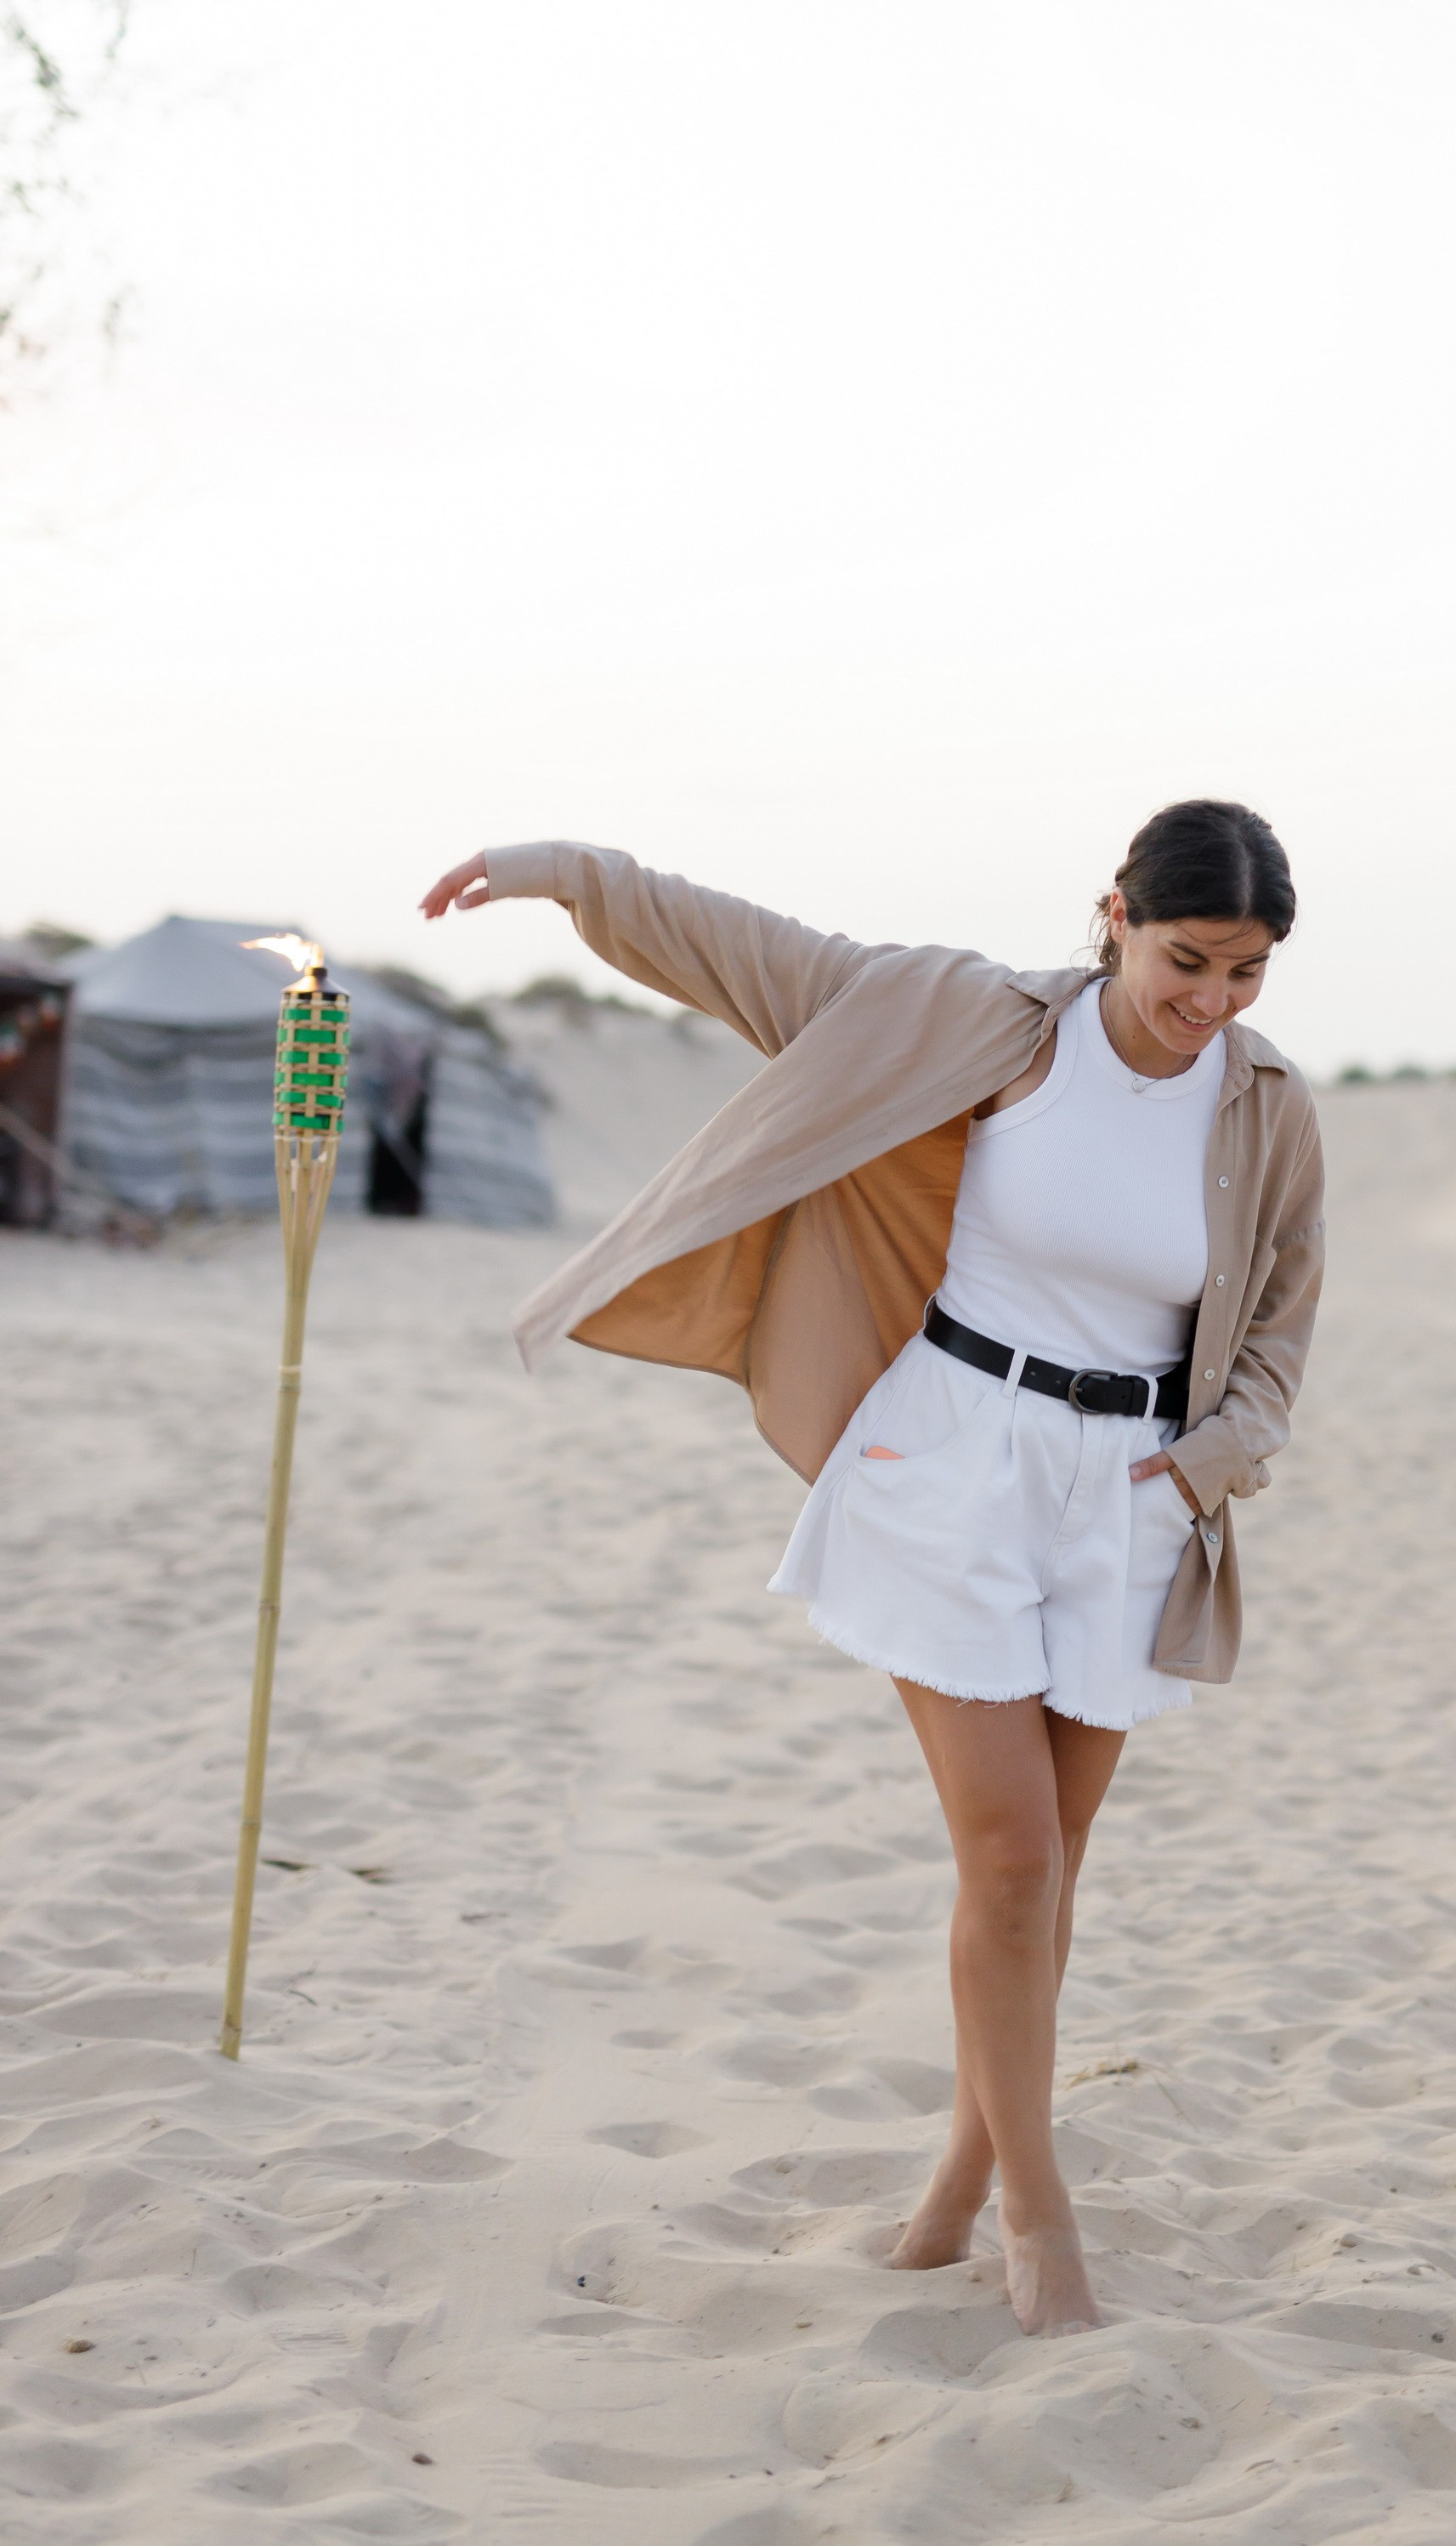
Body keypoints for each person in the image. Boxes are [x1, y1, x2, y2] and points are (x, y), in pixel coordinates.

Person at [420, 800, 1324, 2336]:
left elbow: (1281, 1330)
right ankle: (1044, 2230)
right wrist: (569, 875)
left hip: (1131, 1500)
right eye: (1190, 960)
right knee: (1014, 1860)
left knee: (1051, 1873)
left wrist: (1213, 1462)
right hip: (950, 1459)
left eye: (1247, 973)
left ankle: (957, 2195)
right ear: (1113, 913)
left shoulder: (1268, 1109)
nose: (1213, 1003)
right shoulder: (971, 1019)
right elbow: (748, 957)